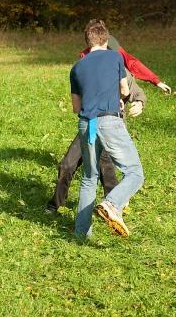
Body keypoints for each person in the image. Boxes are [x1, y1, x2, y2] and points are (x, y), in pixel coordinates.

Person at [46, 29, 171, 213]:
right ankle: (56, 204)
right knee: (67, 164)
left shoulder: (119, 69)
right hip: (89, 125)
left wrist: (139, 103)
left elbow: (135, 91)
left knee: (106, 169)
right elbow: (77, 100)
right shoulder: (88, 68)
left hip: (111, 127)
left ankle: (113, 206)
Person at [70, 20, 145, 238]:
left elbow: (76, 107)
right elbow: (123, 88)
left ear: (88, 41)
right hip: (109, 121)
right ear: (106, 39)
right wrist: (118, 99)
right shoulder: (115, 57)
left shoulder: (77, 67)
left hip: (86, 124)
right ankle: (112, 204)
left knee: (89, 177)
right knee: (135, 172)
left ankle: (81, 233)